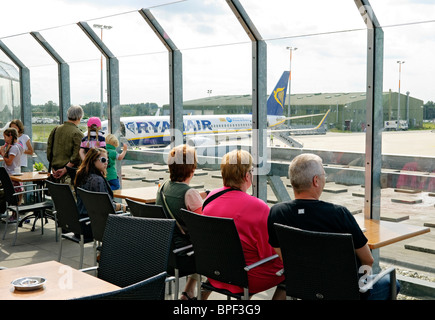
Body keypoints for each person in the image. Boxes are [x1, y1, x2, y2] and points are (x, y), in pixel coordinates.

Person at [267, 153, 400, 300]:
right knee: (393, 282)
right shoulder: (339, 214)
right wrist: (363, 285)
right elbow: (368, 260)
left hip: (305, 288)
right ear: (316, 180)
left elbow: (284, 256)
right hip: (344, 292)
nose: (326, 178)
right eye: (324, 174)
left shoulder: (277, 213)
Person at [201, 149, 285, 300]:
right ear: (247, 176)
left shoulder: (210, 198)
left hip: (215, 272)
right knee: (293, 271)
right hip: (246, 277)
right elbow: (268, 253)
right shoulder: (258, 207)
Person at [155, 144, 204, 301]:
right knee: (211, 250)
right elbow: (201, 229)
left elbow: (178, 197)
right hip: (182, 254)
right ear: (192, 167)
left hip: (164, 250)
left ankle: (188, 291)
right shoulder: (189, 193)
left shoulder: (162, 187)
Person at [74, 148, 126, 239]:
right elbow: (105, 208)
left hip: (82, 223)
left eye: (107, 160)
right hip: (94, 227)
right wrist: (121, 207)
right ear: (93, 161)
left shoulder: (82, 176)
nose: (106, 163)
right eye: (103, 160)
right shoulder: (97, 181)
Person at [46, 105, 84, 184]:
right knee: (69, 195)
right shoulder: (78, 133)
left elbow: (49, 150)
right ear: (80, 117)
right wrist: (65, 169)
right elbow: (77, 155)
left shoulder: (56, 129)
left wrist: (54, 168)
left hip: (55, 173)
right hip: (70, 175)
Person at [1, 128, 24, 220]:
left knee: (14, 194)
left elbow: (9, 162)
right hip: (13, 173)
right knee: (15, 193)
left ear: (10, 136)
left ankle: (15, 215)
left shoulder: (14, 148)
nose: (4, 139)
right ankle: (13, 214)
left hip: (12, 174)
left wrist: (2, 154)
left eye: (5, 137)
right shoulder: (16, 146)